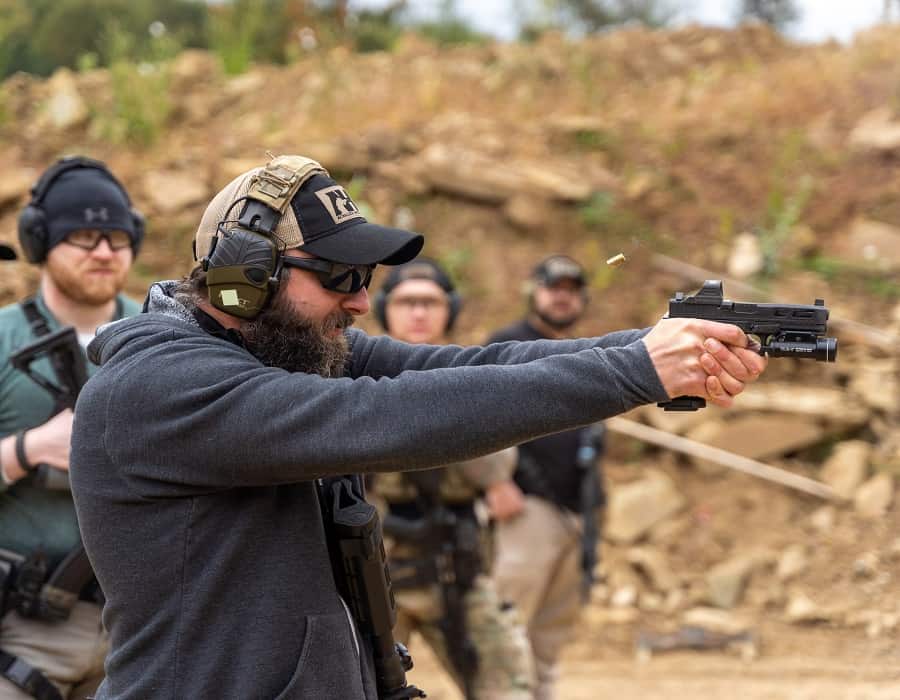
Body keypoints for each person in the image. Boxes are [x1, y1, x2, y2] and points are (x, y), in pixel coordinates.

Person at [69, 154, 767, 700]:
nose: (363, 301)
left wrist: (656, 344)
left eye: (366, 274)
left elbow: (472, 367)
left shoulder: (281, 348)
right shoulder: (159, 388)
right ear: (245, 276)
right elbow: (393, 419)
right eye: (340, 276)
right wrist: (638, 372)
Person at [0, 156, 144, 700]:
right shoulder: (2, 339)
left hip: (139, 627)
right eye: (84, 237)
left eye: (117, 236)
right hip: (23, 626)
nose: (105, 251)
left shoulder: (168, 336)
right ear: (40, 243)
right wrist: (28, 448)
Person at [371, 257, 533, 699]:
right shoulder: (357, 373)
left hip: (453, 569)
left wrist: (449, 393)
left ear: (451, 310)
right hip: (374, 575)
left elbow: (497, 468)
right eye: (407, 303)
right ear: (386, 309)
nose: (418, 313)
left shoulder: (474, 373)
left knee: (509, 688)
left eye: (430, 302)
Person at [485, 254, 607, 700]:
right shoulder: (509, 345)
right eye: (554, 287)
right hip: (527, 509)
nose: (562, 297)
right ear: (533, 291)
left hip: (577, 511)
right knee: (509, 626)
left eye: (571, 290)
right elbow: (480, 418)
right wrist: (495, 482)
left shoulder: (587, 350)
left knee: (550, 638)